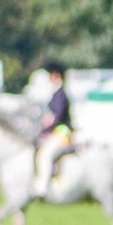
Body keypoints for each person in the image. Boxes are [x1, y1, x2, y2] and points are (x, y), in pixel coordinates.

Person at [30, 62, 74, 197]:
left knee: (44, 155)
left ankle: (41, 189)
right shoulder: (56, 94)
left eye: (51, 75)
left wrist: (46, 128)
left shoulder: (60, 95)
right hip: (57, 131)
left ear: (56, 75)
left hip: (62, 132)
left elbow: (58, 117)